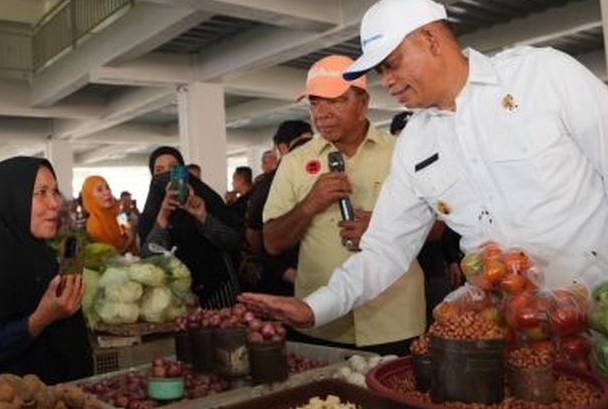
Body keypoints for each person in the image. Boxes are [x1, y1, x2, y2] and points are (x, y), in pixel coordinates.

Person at [241, 0, 608, 330]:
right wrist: (315, 307)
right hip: (510, 330)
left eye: (392, 63)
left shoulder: (542, 77)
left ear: (430, 39)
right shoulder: (417, 145)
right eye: (381, 71)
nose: (389, 82)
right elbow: (384, 249)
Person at [261, 55, 426, 352]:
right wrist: (310, 204)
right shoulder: (294, 163)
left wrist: (383, 229)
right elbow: (272, 242)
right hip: (321, 321)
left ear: (363, 102)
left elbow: (437, 228)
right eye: (314, 103)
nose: (321, 113)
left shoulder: (401, 152)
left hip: (394, 318)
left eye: (335, 101)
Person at [0, 157, 91, 384]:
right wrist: (39, 319)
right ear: (10, 200)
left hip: (66, 401)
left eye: (55, 191)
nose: (55, 203)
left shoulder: (38, 253)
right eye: (41, 192)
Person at [138, 146, 242, 309]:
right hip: (173, 299)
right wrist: (163, 215)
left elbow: (232, 241)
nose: (167, 174)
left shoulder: (208, 199)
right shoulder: (150, 214)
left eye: (173, 168)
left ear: (183, 172)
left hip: (217, 290)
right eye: (159, 170)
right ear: (153, 177)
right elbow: (148, 258)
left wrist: (202, 216)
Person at [391, 110, 463, 318]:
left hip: (432, 266)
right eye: (401, 136)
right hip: (400, 272)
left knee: (444, 320)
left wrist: (451, 259)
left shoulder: (438, 166)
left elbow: (442, 228)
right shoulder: (395, 172)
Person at [243, 120, 313, 296]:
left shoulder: (319, 176)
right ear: (283, 148)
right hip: (283, 278)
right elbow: (254, 234)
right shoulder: (267, 184)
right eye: (301, 145)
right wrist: (280, 268)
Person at [81, 175, 135, 253]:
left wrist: (130, 233)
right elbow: (105, 255)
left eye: (107, 188)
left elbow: (129, 235)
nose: (107, 192)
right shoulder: (93, 225)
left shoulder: (119, 214)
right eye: (100, 190)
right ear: (90, 197)